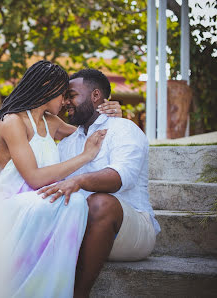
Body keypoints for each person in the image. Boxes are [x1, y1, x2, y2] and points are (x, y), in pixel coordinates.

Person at [0, 60, 122, 297]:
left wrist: (112, 113)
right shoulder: (12, 122)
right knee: (72, 200)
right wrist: (85, 156)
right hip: (14, 207)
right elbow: (35, 178)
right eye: (63, 94)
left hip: (44, 202)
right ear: (47, 88)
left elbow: (94, 130)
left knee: (74, 201)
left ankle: (56, 290)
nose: (66, 101)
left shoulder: (52, 123)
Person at [39, 69, 161, 298]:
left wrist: (79, 180)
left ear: (95, 95)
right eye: (64, 97)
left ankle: (78, 294)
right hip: (81, 225)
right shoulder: (68, 143)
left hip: (131, 229)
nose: (65, 102)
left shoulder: (124, 129)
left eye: (71, 95)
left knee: (100, 203)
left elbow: (119, 177)